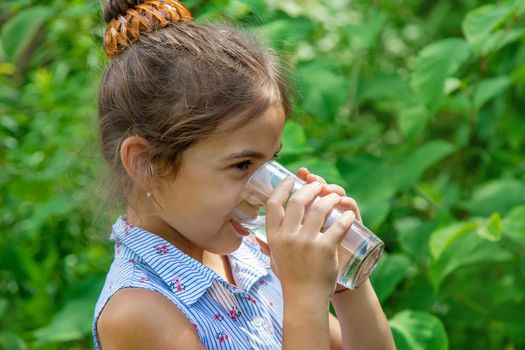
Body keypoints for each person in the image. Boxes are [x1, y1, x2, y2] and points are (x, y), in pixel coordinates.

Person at [92, 0, 396, 349]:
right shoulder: (138, 312)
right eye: (241, 166)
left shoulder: (248, 254)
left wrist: (345, 279)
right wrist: (304, 296)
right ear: (146, 162)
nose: (263, 192)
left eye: (270, 163)